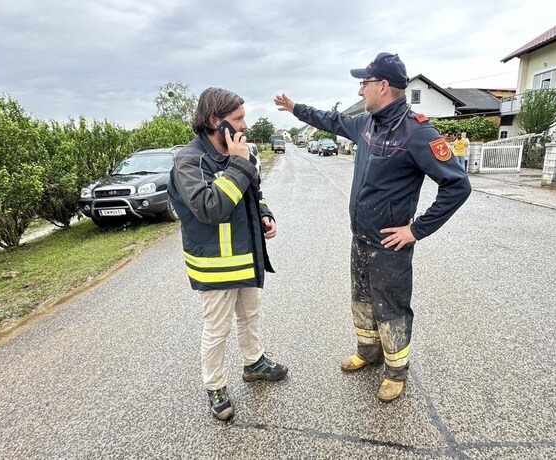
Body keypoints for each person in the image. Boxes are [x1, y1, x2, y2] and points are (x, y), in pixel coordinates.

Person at [273, 52, 471, 402]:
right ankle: (368, 352)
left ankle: (396, 371)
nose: (360, 90)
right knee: (362, 301)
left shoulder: (418, 132)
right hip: (360, 237)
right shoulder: (365, 123)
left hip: (390, 245)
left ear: (383, 85)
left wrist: (416, 230)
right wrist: (295, 108)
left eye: (363, 83)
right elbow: (331, 120)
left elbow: (458, 185)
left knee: (391, 307)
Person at [168, 87, 288, 422]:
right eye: (237, 119)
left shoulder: (242, 150)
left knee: (250, 316)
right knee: (217, 329)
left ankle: (254, 362)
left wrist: (265, 213)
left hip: (246, 254)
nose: (244, 125)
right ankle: (215, 385)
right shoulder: (189, 161)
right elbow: (210, 208)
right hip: (215, 265)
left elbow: (255, 191)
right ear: (214, 121)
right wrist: (238, 163)